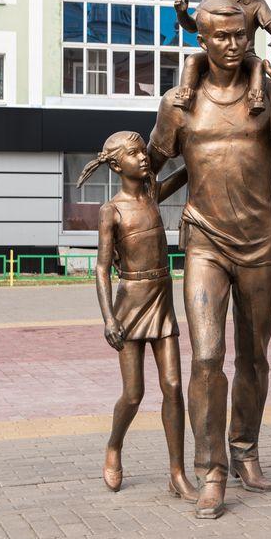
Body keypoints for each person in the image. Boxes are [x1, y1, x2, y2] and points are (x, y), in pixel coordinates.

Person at [148, 0, 271, 519]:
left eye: (241, 35)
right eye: (221, 37)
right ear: (202, 40)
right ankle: (211, 469)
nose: (233, 44)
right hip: (204, 239)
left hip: (261, 242)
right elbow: (151, 165)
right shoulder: (179, 101)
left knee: (254, 356)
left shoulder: (266, 92)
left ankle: (244, 447)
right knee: (205, 356)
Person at [78, 131, 197, 502]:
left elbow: (187, 173)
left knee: (174, 386)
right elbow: (100, 270)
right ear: (116, 165)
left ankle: (177, 473)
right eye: (133, 153)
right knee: (133, 393)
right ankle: (114, 446)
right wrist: (108, 318)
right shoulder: (110, 211)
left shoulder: (151, 196)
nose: (143, 156)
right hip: (129, 303)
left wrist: (200, 152)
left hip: (161, 297)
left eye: (143, 150)